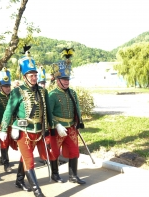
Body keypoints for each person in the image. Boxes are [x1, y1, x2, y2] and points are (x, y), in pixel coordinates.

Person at [0, 45, 53, 197]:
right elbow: (9, 111)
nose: (34, 78)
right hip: (23, 131)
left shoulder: (43, 91)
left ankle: (19, 180)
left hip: (38, 131)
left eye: (35, 75)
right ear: (25, 77)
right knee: (29, 160)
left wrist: (50, 128)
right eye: (31, 76)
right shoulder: (17, 91)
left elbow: (47, 111)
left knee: (25, 157)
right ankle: (38, 192)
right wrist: (3, 129)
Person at [48, 47, 86, 185]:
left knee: (74, 151)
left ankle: (73, 175)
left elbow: (77, 109)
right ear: (57, 80)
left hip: (71, 128)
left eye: (68, 79)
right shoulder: (52, 95)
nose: (66, 81)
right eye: (64, 79)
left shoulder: (73, 93)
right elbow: (48, 114)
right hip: (57, 128)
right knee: (54, 152)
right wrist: (56, 125)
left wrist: (78, 122)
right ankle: (55, 174)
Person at [0, 67, 18, 173]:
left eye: (9, 86)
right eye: (5, 86)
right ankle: (6, 163)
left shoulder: (13, 96)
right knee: (4, 143)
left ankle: (2, 157)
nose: (8, 88)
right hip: (0, 124)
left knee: (9, 142)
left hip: (12, 124)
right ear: (1, 87)